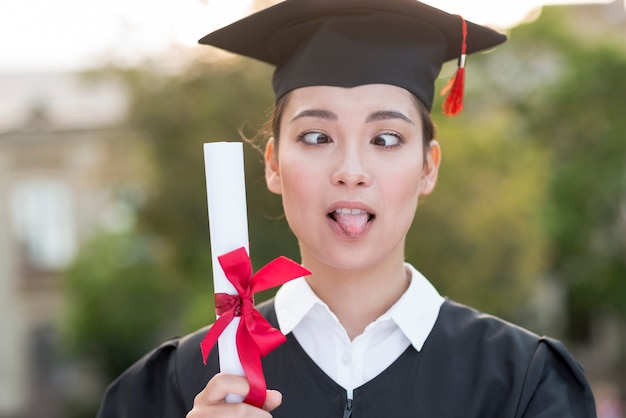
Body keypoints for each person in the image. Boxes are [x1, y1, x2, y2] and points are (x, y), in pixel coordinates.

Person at [97, 0, 598, 417]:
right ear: (273, 164)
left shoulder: (521, 384)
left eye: (386, 138)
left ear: (428, 167)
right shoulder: (176, 386)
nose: (351, 170)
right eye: (316, 137)